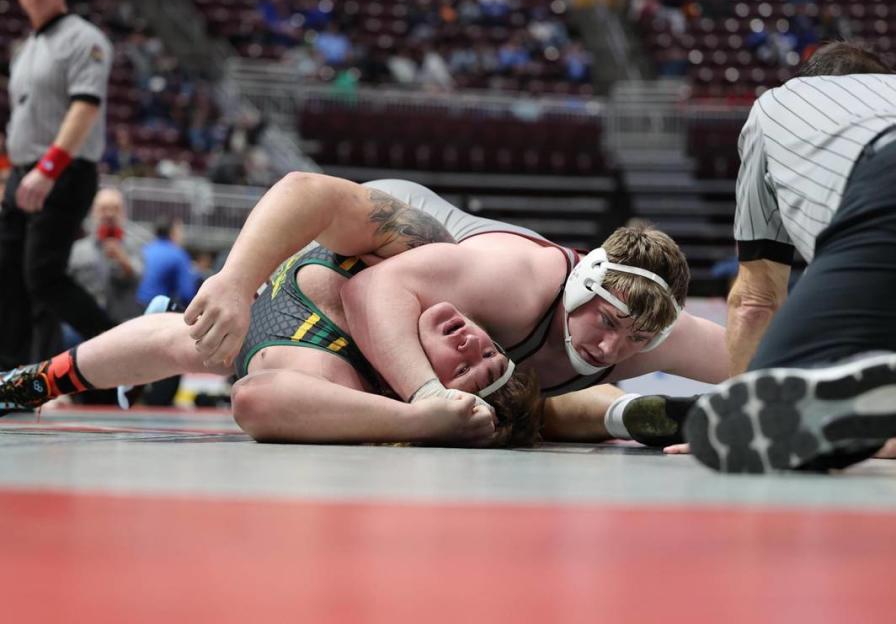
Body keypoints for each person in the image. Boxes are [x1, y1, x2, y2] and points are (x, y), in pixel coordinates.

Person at [182, 173, 729, 447]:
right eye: (607, 321)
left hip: (410, 328)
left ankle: (622, 413)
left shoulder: (651, 331)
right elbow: (367, 287)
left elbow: (773, 358)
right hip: (380, 264)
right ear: (582, 288)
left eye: (636, 341)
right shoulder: (510, 281)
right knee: (214, 341)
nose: (610, 348)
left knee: (526, 410)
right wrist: (423, 405)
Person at [0, 197, 540, 447]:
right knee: (202, 334)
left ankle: (33, 383)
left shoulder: (336, 377)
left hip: (281, 329)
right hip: (290, 249)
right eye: (491, 347)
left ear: (448, 394)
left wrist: (424, 420)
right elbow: (306, 190)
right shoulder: (442, 260)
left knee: (194, 343)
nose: (473, 342)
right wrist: (237, 279)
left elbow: (253, 401)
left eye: (468, 369)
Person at [682, 42, 896, 473]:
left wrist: (741, 419)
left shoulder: (779, 103)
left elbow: (756, 299)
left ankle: (836, 398)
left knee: (781, 407)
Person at [0, 0, 115, 368]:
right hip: (22, 172)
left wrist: (48, 168)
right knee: (9, 274)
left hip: (61, 170)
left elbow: (85, 107)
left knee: (43, 276)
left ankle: (125, 356)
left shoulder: (84, 39)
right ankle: (13, 375)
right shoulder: (25, 48)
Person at [68, 187, 143, 324]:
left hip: (122, 324)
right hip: (84, 324)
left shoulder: (135, 246)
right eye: (103, 208)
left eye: (115, 208)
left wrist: (123, 260)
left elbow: (139, 276)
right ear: (93, 212)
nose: (109, 214)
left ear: (123, 213)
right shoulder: (77, 250)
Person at [137, 217, 199, 309]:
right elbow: (186, 293)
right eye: (180, 231)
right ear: (172, 233)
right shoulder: (178, 254)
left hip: (138, 306)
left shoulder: (146, 249)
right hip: (158, 309)